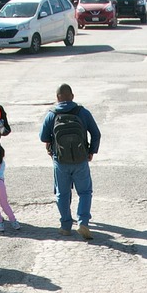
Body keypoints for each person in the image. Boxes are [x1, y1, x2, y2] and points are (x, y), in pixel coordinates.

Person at [39, 84, 101, 240]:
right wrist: (91, 151)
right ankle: (83, 222)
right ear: (72, 96)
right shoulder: (82, 112)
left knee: (62, 194)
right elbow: (96, 133)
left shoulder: (52, 114)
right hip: (80, 159)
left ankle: (66, 226)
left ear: (57, 97)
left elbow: (43, 137)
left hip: (60, 161)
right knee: (85, 192)